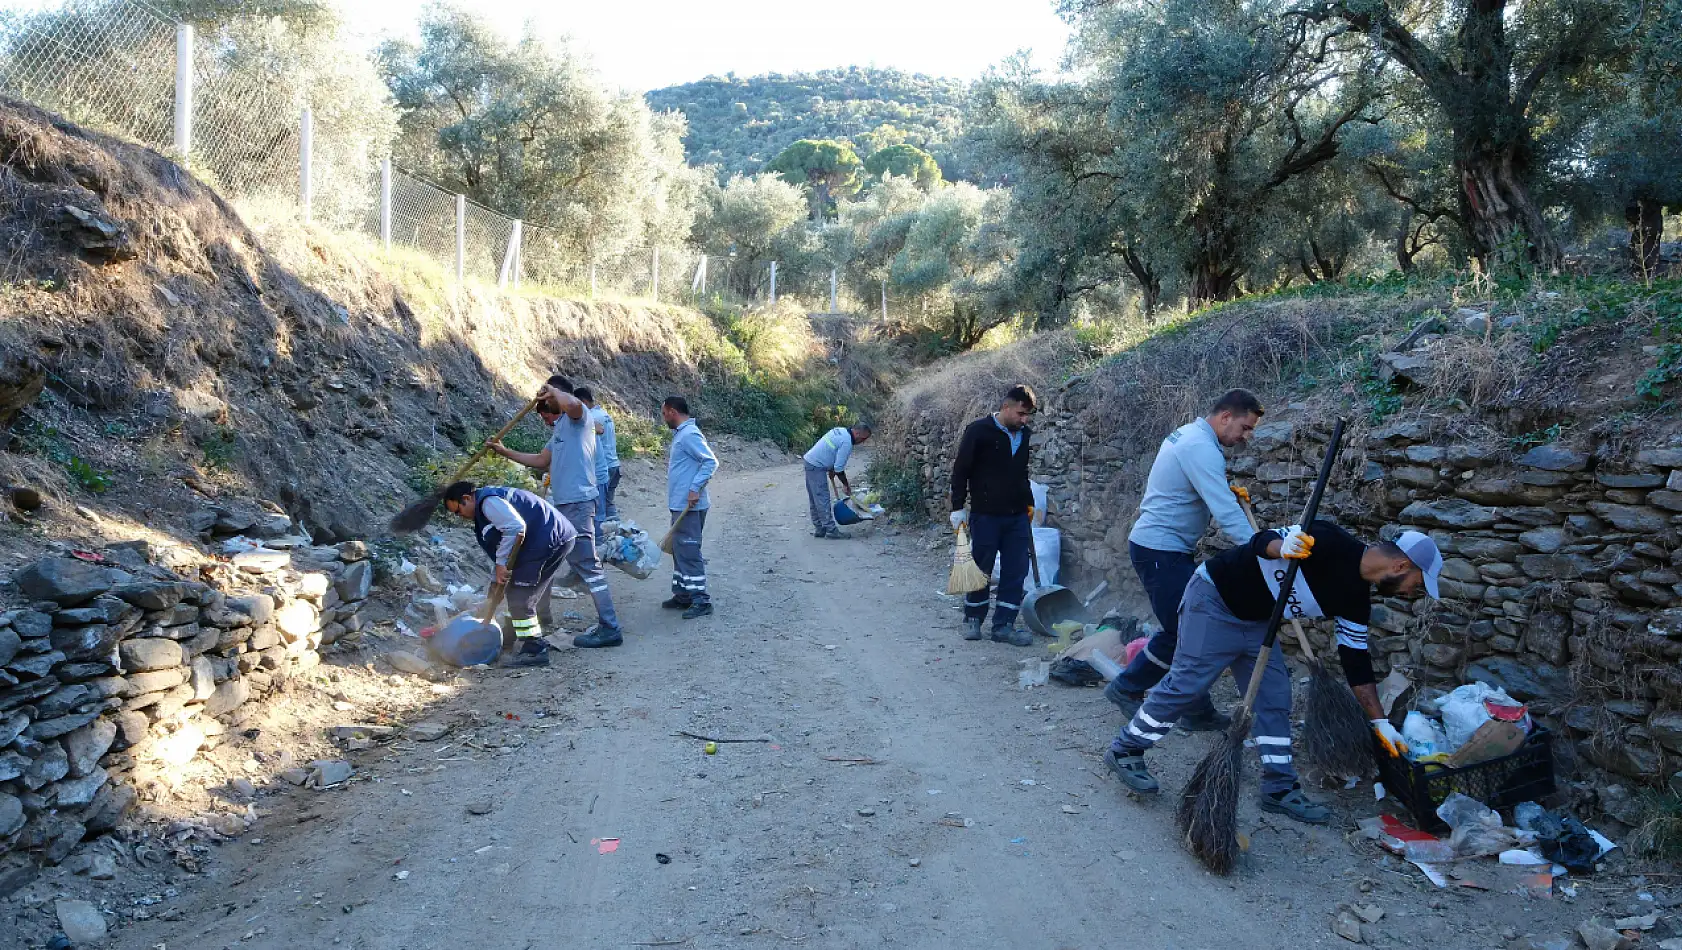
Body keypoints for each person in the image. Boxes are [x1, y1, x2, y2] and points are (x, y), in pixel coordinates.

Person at [1103, 520, 1442, 824]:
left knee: (1275, 696)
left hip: (1257, 623)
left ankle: (1279, 788)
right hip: (1214, 600)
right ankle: (1126, 749)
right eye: (1417, 582)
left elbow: (1356, 661)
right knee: (1188, 683)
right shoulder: (1328, 539)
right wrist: (1284, 545)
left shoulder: (1356, 600)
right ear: (1401, 564)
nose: (1412, 591)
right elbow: (1259, 542)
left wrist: (1379, 721)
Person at [1106, 389, 1267, 731]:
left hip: (1164, 548)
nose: (1246, 437)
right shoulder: (1200, 447)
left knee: (1192, 629)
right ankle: (1126, 687)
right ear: (1226, 416)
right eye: (1245, 427)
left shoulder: (1191, 436)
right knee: (1183, 630)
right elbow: (1223, 511)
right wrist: (1261, 546)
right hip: (1159, 550)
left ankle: (1195, 709)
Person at [488, 376, 624, 649]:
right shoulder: (561, 429)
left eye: (549, 400)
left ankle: (610, 627)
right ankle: (542, 615)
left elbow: (572, 403)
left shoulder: (579, 417)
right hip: (561, 505)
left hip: (579, 503)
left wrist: (552, 391)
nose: (546, 409)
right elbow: (541, 460)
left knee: (588, 565)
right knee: (543, 559)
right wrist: (504, 452)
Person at [441, 480, 579, 668]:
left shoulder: (488, 503)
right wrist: (492, 592)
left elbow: (515, 527)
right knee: (516, 591)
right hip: (550, 538)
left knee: (521, 596)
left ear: (466, 498)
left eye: (457, 511)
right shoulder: (485, 510)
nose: (459, 516)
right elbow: (501, 552)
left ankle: (534, 649)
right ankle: (509, 636)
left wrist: (500, 566)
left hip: (547, 540)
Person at [950, 384, 1037, 647]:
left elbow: (1021, 472)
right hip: (986, 515)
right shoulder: (979, 431)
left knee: (1016, 570)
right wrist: (957, 507)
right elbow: (961, 470)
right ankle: (973, 618)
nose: (1025, 420)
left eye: (1028, 416)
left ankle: (1004, 626)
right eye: (1021, 414)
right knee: (981, 567)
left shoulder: (1024, 435)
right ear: (1006, 407)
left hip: (1017, 516)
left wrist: (1029, 502)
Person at [662, 396, 719, 619]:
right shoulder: (683, 434)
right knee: (679, 549)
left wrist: (695, 488)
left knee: (688, 549)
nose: (664, 418)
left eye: (664, 413)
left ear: (673, 411)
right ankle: (683, 594)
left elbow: (711, 462)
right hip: (680, 504)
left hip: (690, 506)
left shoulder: (690, 435)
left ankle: (700, 600)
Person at [802, 423, 872, 540]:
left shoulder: (840, 430)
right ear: (857, 433)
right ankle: (831, 530)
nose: (862, 442)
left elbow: (830, 450)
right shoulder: (847, 443)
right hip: (816, 466)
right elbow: (839, 468)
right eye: (863, 439)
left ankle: (820, 528)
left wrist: (831, 468)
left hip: (811, 461)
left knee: (815, 499)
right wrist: (845, 484)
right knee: (821, 498)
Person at [577, 387, 622, 528]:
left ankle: (605, 538)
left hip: (603, 467)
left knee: (599, 509)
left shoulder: (590, 417)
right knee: (609, 504)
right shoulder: (603, 414)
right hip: (614, 464)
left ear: (583, 401)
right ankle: (616, 535)